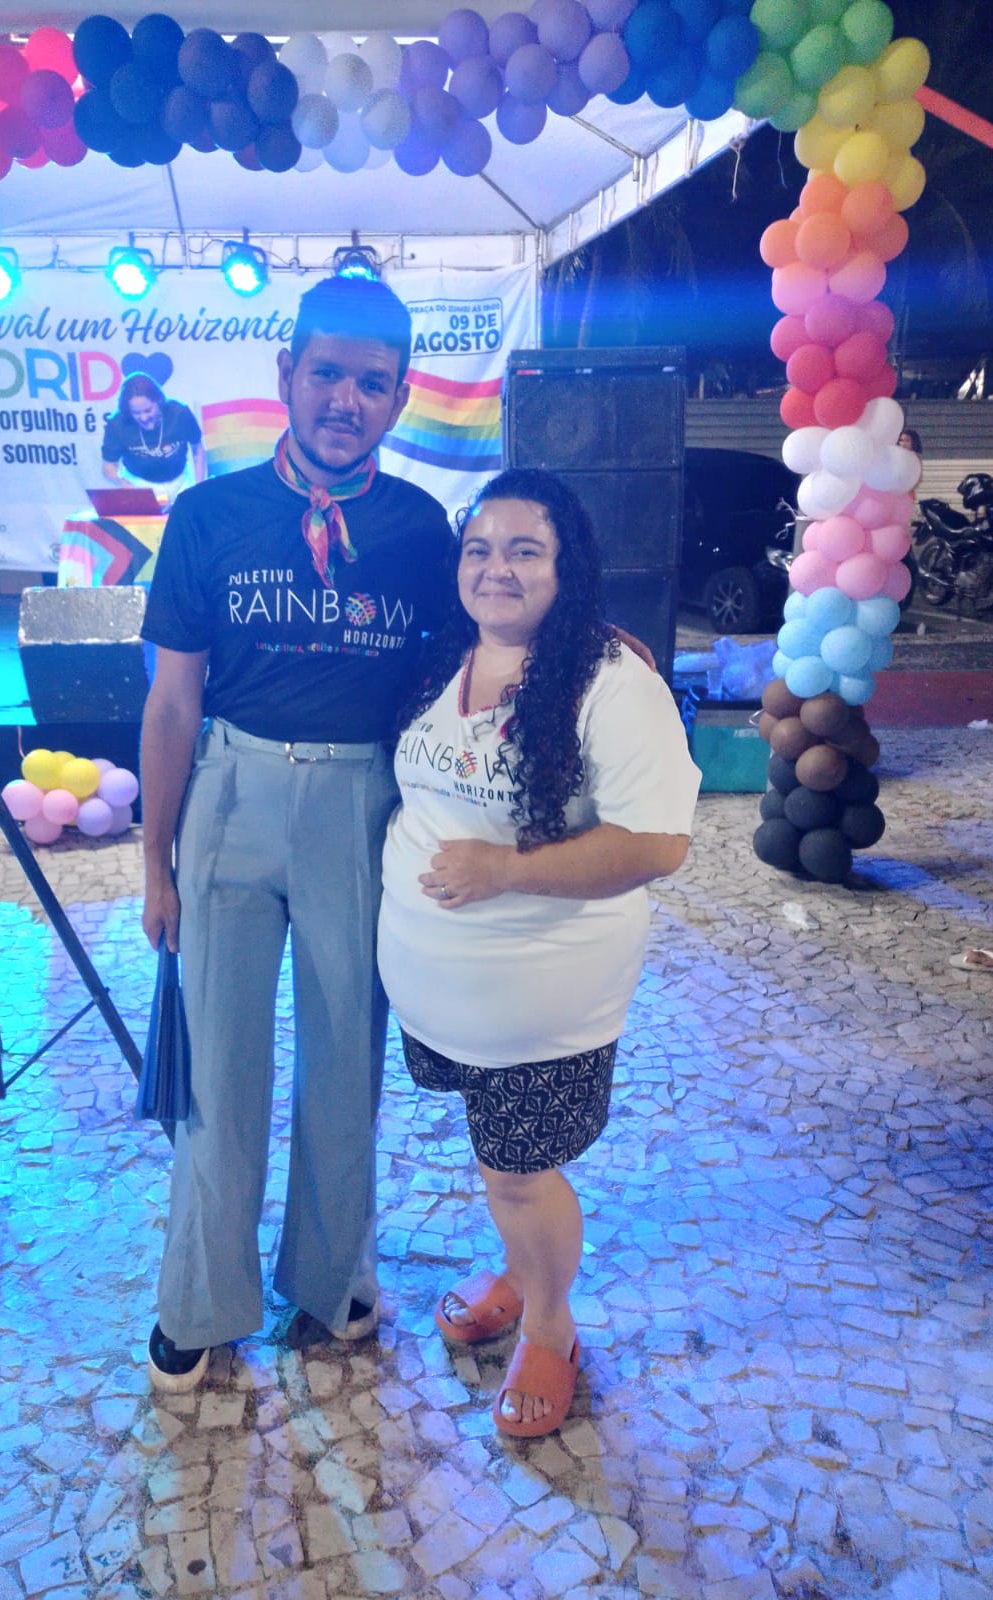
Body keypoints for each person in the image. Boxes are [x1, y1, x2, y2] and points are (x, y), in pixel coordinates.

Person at [137, 276, 454, 1391]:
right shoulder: (207, 516)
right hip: (230, 797)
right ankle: (200, 1297)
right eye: (327, 374)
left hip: (360, 808)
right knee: (218, 1069)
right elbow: (172, 702)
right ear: (287, 375)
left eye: (372, 383)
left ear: (400, 397)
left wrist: (597, 646)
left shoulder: (419, 529)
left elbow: (473, 660)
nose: (344, 400)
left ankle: (333, 1275)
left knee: (345, 1057)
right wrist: (156, 862)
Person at [378, 468, 701, 1438]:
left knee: (521, 1171)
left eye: (526, 550)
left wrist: (505, 870)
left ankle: (551, 1324)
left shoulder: (612, 681)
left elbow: (658, 844)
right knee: (496, 1157)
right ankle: (520, 1273)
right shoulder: (441, 657)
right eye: (480, 549)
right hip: (439, 991)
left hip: (542, 1003)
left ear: (570, 567)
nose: (498, 569)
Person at [102, 374, 205, 495]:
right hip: (138, 484)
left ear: (159, 401)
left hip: (181, 481)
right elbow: (109, 465)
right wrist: (121, 481)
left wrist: (199, 486)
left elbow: (197, 449)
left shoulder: (179, 413)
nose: (144, 418)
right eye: (136, 413)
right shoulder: (117, 424)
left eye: (148, 410)